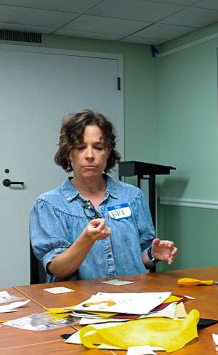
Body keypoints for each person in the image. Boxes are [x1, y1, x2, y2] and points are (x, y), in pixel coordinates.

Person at [30, 110, 177, 281]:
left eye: (98, 148)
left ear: (107, 152)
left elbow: (141, 259)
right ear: (68, 153)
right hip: (78, 297)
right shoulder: (49, 204)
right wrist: (86, 240)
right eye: (80, 148)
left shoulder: (133, 197)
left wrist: (153, 254)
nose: (90, 155)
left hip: (131, 294)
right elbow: (58, 270)